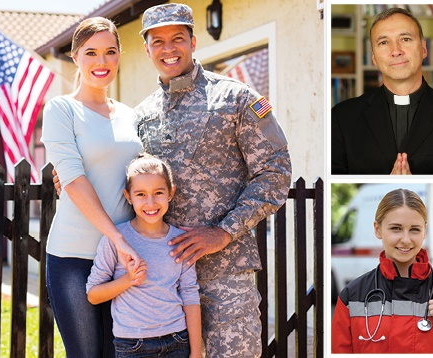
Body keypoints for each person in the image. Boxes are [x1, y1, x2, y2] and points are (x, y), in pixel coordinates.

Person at [136, 3, 292, 356]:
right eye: (157, 41)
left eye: (178, 38)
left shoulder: (236, 98)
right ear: (147, 49)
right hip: (165, 278)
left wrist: (224, 231)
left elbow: (275, 169)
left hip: (227, 273)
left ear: (193, 41)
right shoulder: (141, 115)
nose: (168, 49)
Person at [41, 17, 145, 357]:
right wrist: (117, 238)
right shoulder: (62, 109)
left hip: (121, 261)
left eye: (110, 52)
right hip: (73, 257)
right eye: (91, 53)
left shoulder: (131, 116)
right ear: (75, 57)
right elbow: (72, 178)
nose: (101, 62)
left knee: (121, 351)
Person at [331, 7, 433, 175]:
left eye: (405, 39)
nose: (396, 51)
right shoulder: (342, 118)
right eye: (384, 42)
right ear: (374, 58)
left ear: (423, 50)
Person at [331, 189, 433, 353]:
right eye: (396, 228)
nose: (406, 240)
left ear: (424, 231)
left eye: (415, 229)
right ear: (377, 229)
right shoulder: (352, 296)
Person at [86, 154, 202, 357]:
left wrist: (195, 352)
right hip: (133, 345)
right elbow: (93, 295)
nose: (150, 202)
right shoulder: (117, 241)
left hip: (177, 341)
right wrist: (128, 280)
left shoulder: (180, 240)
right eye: (140, 194)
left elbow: (190, 295)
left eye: (158, 192)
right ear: (128, 196)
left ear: (170, 193)